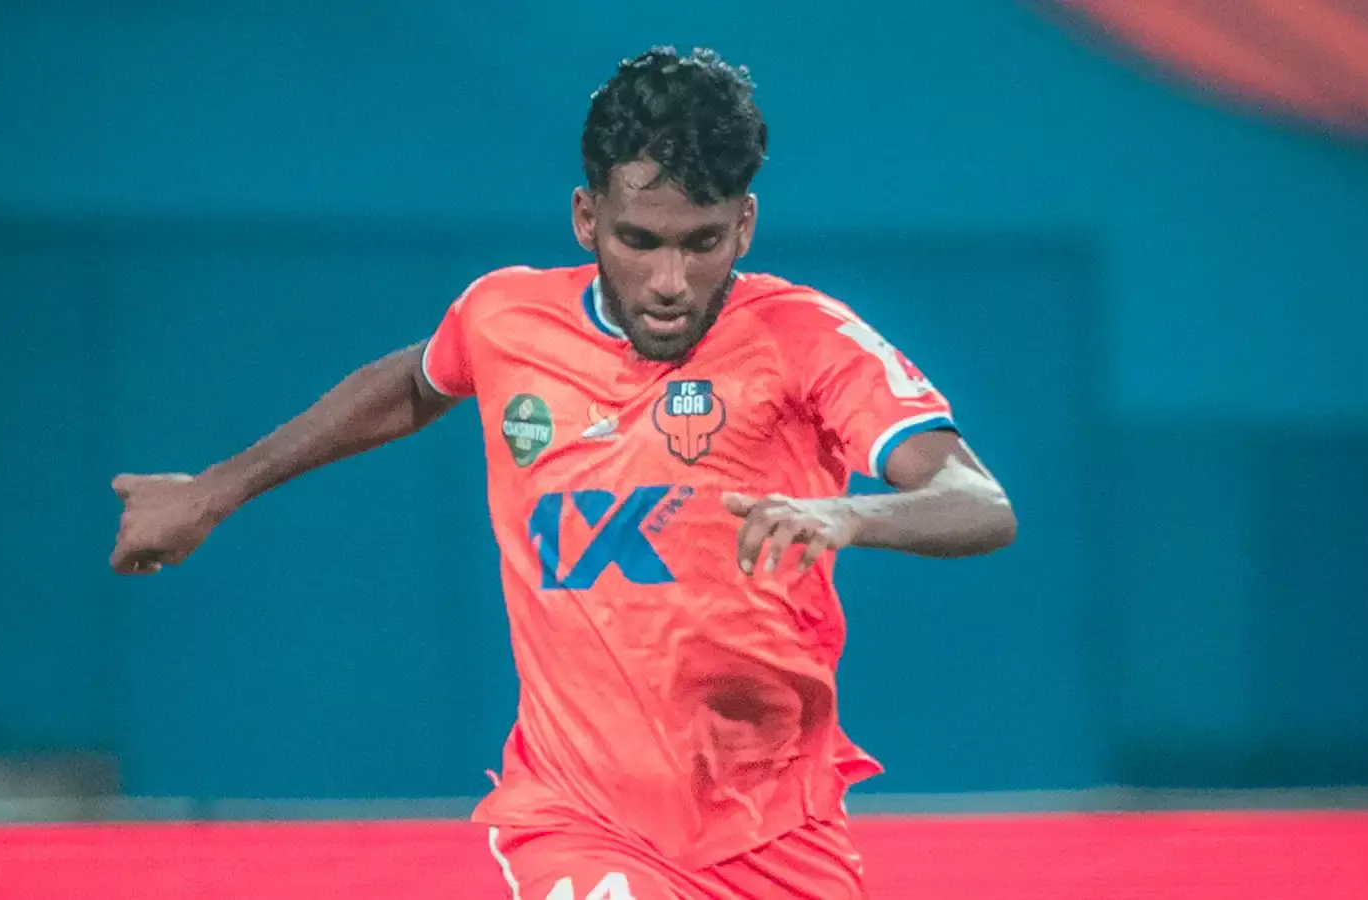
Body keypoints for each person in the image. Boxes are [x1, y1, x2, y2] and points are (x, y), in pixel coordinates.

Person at [110, 46, 1016, 900]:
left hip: (775, 822)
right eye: (639, 240)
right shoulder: (504, 320)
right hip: (578, 815)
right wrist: (214, 492)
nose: (669, 279)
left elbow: (977, 502)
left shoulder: (807, 339)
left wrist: (853, 517)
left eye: (702, 242)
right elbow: (415, 383)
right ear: (587, 218)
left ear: (745, 224)